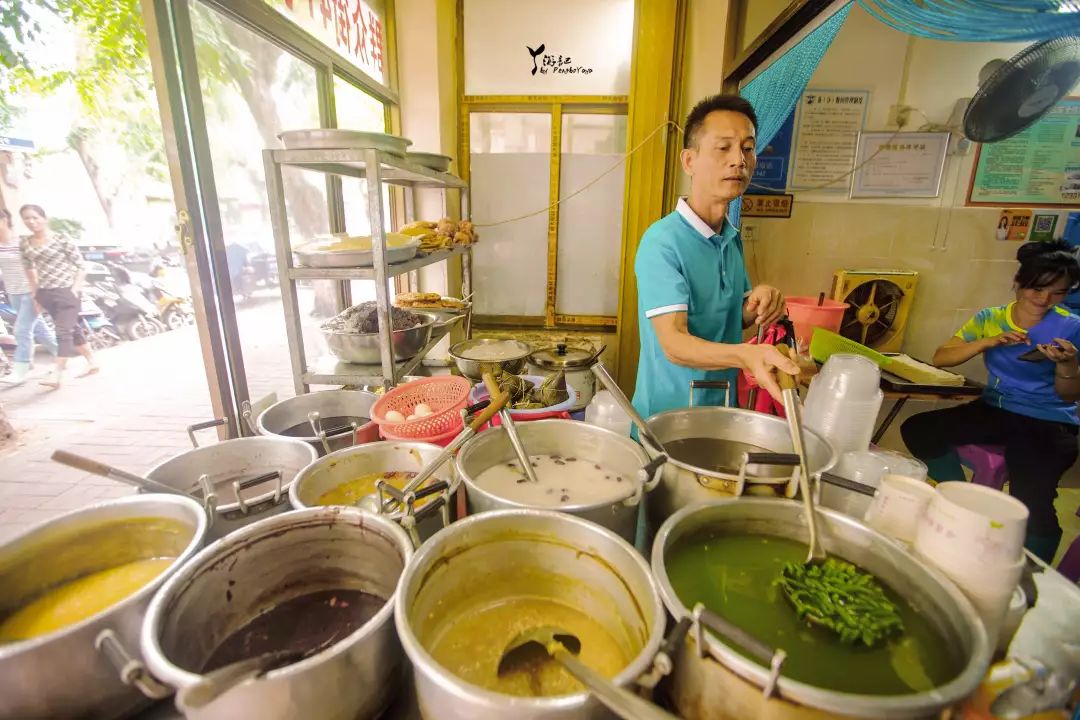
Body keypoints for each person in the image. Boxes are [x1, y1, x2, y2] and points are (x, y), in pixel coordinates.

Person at [900, 241, 1080, 563]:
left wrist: (1066, 365)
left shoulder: (1072, 328)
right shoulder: (991, 319)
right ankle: (966, 503)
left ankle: (1034, 572)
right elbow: (942, 357)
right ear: (1018, 283)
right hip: (995, 407)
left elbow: (1070, 395)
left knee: (1031, 501)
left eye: (1058, 293)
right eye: (1037, 290)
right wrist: (988, 341)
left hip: (1048, 419)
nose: (1044, 300)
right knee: (918, 429)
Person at [632, 94, 794, 420]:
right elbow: (674, 344)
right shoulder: (662, 242)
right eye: (724, 148)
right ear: (689, 161)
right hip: (668, 418)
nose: (740, 160)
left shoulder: (729, 238)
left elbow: (732, 318)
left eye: (748, 148)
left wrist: (759, 300)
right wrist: (747, 356)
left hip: (720, 411)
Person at [19, 204, 98, 389]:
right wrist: (35, 294)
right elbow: (29, 269)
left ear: (44, 219)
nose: (31, 221)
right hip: (45, 293)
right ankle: (93, 362)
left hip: (66, 292)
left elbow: (81, 265)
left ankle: (57, 375)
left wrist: (75, 289)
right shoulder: (25, 243)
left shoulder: (62, 239)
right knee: (73, 329)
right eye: (27, 218)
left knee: (62, 332)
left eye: (35, 217)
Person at [0, 208, 57, 385]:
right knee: (39, 328)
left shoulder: (22, 242)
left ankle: (21, 370)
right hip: (13, 292)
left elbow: (38, 266)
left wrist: (38, 291)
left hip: (31, 290)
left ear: (5, 220)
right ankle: (62, 353)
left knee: (21, 330)